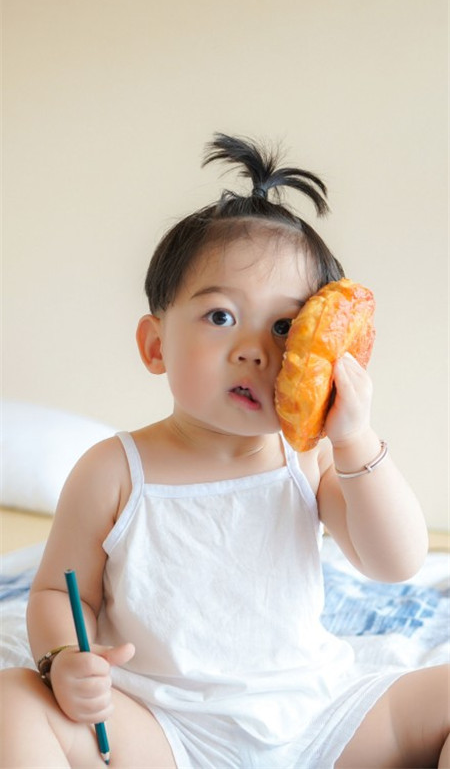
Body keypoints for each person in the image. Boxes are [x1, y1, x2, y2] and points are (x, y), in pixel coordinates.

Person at [1, 133, 448, 769]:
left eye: (285, 327)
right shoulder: (113, 471)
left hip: (319, 722)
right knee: (12, 700)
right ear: (155, 345)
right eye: (220, 317)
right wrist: (65, 658)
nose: (254, 350)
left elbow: (396, 560)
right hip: (166, 733)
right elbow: (58, 593)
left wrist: (354, 439)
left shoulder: (309, 459)